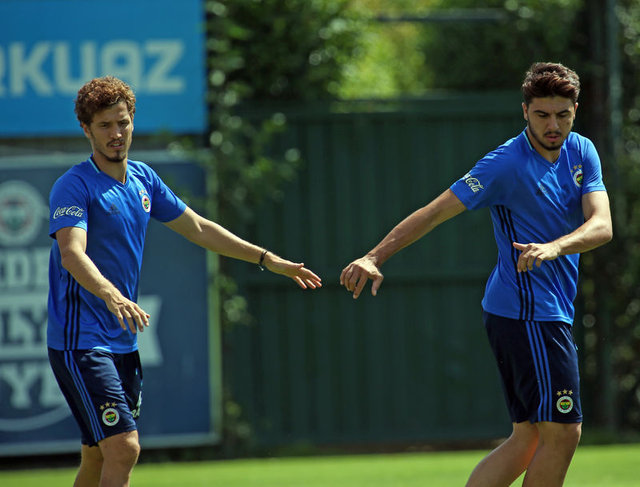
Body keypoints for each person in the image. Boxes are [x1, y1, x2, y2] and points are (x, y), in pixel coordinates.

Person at [340, 62, 612, 486]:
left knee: (528, 438)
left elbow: (602, 225)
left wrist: (554, 247)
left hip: (537, 312)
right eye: (542, 114)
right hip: (527, 314)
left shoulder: (582, 151)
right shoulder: (504, 164)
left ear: (575, 110)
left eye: (562, 114)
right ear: (525, 111)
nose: (553, 125)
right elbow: (435, 212)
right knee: (562, 432)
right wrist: (375, 256)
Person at [47, 76, 322, 487]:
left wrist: (267, 259)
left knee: (98, 456)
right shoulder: (74, 185)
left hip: (123, 341)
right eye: (104, 125)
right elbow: (72, 253)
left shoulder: (143, 179)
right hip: (81, 340)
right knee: (123, 448)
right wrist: (111, 294)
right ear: (86, 129)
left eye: (123, 122)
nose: (116, 133)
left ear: (132, 120)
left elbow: (198, 228)